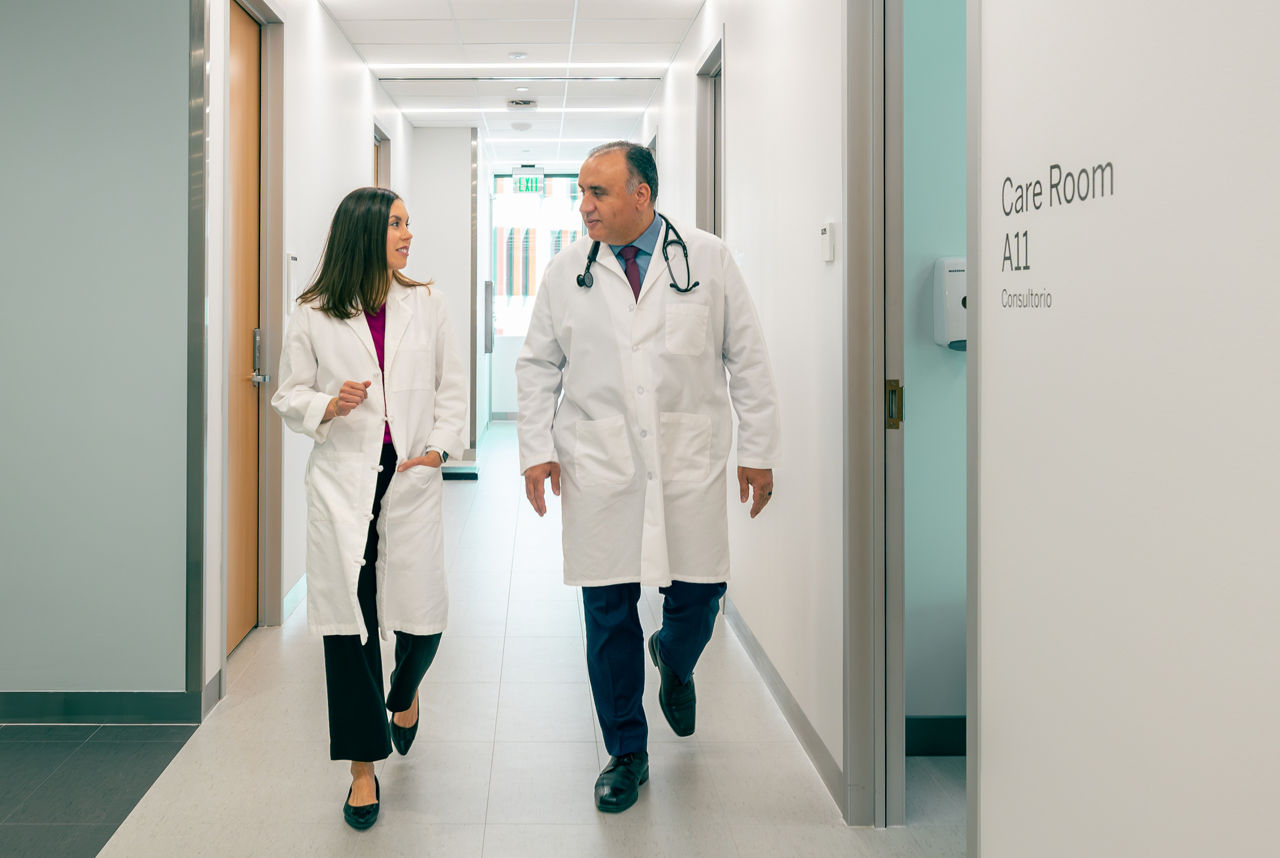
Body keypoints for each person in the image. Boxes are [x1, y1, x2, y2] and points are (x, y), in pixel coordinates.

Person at [515, 142, 781, 813]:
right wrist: (535, 450)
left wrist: (758, 449)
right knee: (607, 611)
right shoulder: (566, 271)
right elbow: (538, 367)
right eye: (581, 192)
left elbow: (746, 357)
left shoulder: (708, 259)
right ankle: (626, 752)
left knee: (701, 592)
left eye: (598, 192)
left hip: (687, 460)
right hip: (599, 462)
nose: (585, 207)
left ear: (643, 195)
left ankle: (676, 657)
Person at [271, 186, 467, 830]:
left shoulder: (427, 302)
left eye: (408, 223)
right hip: (343, 480)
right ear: (363, 234)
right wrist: (328, 402)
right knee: (348, 629)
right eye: (395, 225)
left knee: (424, 619)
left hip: (409, 472)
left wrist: (438, 449)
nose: (408, 235)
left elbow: (451, 386)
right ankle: (361, 769)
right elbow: (287, 394)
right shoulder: (313, 312)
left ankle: (404, 693)